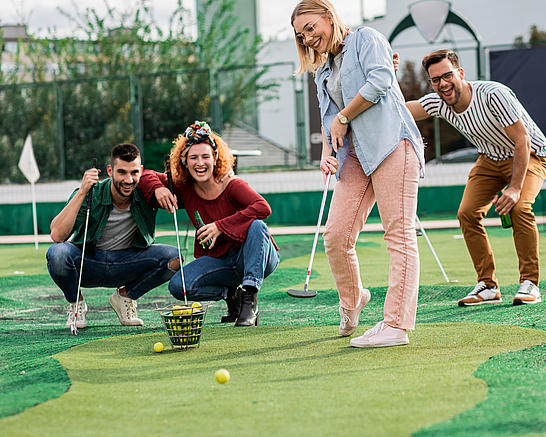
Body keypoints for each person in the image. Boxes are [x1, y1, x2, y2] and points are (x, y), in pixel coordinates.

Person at [291, 0, 425, 348]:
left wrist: (345, 117)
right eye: (300, 35)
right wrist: (326, 154)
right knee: (336, 236)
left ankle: (396, 325)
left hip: (392, 143)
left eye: (310, 28)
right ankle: (353, 300)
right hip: (355, 157)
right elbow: (329, 121)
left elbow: (381, 80)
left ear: (328, 16)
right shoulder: (323, 71)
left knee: (399, 235)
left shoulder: (367, 38)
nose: (307, 38)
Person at [402, 49, 545, 306]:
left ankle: (530, 283)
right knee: (467, 213)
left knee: (520, 207)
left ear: (461, 73)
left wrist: (514, 187)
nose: (443, 84)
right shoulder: (440, 102)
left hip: (530, 154)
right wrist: (378, 88)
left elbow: (522, 140)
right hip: (490, 158)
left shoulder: (492, 95)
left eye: (448, 75)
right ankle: (488, 286)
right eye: (436, 80)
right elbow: (402, 110)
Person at [139, 121, 280, 327]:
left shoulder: (232, 184)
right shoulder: (184, 189)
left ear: (216, 158)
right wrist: (158, 189)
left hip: (255, 258)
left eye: (206, 156)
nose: (200, 163)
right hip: (220, 261)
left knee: (257, 225)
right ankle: (231, 295)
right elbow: (145, 175)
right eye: (193, 157)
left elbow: (262, 207)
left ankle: (250, 300)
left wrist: (220, 226)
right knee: (179, 287)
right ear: (184, 162)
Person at [47, 143, 180, 330]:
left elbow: (180, 187)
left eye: (134, 172)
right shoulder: (92, 192)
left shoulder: (146, 192)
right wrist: (83, 191)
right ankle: (76, 304)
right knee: (57, 254)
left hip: (127, 262)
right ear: (110, 171)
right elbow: (57, 235)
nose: (128, 179)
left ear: (141, 171)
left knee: (175, 258)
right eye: (122, 172)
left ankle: (125, 297)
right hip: (90, 262)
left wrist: (159, 187)